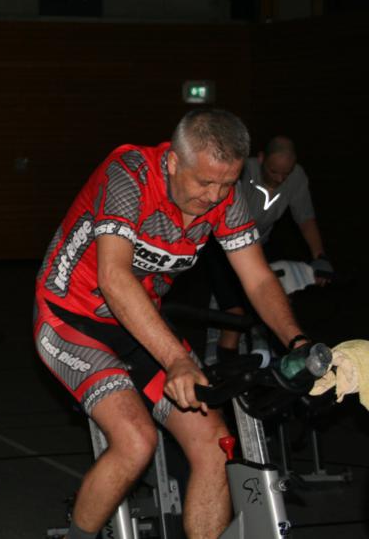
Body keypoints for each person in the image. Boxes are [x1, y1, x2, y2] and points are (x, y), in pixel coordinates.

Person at [33, 109, 310, 539]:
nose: (215, 196)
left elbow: (257, 278)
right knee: (136, 440)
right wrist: (176, 359)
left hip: (138, 320)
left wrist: (298, 343)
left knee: (215, 447)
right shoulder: (129, 174)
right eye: (205, 182)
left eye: (227, 183)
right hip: (72, 318)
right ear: (173, 162)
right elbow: (114, 278)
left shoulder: (224, 193)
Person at [206, 135, 332, 361]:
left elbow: (305, 218)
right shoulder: (243, 173)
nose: (280, 179)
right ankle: (225, 372)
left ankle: (268, 363)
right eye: (274, 172)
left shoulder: (296, 177)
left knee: (275, 307)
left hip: (260, 246)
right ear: (261, 158)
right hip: (223, 248)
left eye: (286, 173)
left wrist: (319, 255)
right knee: (234, 316)